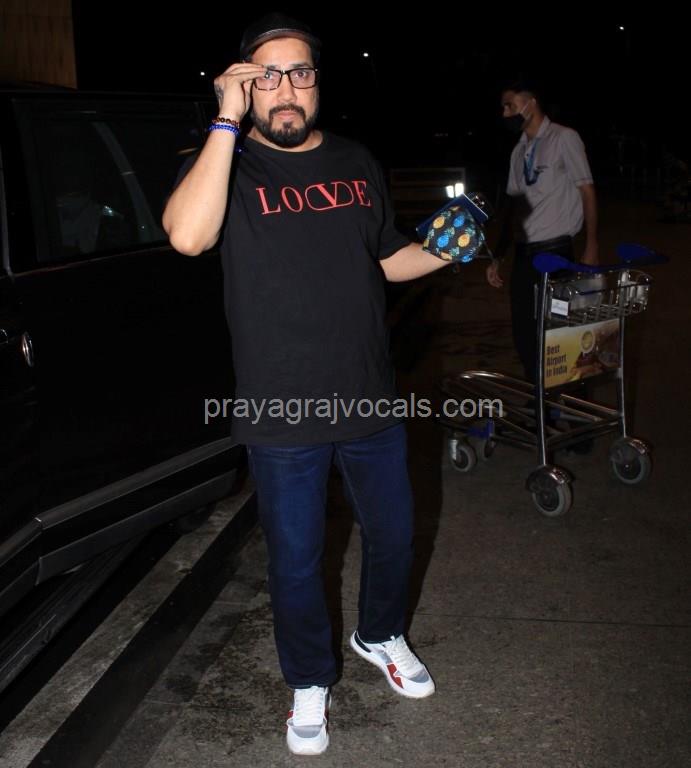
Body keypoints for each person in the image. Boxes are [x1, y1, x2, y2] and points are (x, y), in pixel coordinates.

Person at [163, 13, 451, 756]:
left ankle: (379, 635)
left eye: (299, 73)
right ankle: (308, 679)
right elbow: (188, 236)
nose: (285, 89)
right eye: (267, 76)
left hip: (367, 393)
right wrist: (224, 123)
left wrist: (445, 249)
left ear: (318, 83)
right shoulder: (227, 164)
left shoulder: (356, 160)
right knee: (296, 560)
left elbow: (386, 259)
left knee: (394, 534)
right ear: (243, 86)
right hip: (279, 403)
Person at [486, 79, 599, 381]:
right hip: (525, 256)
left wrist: (592, 245)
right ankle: (537, 396)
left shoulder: (564, 138)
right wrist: (499, 255)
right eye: (503, 107)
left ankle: (566, 397)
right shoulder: (518, 151)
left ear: (530, 102)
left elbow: (587, 191)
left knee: (560, 335)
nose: (505, 113)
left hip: (556, 253)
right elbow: (514, 207)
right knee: (525, 334)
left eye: (510, 105)